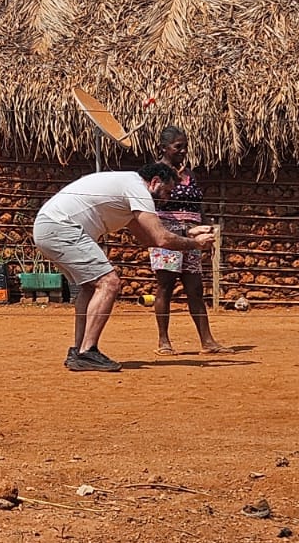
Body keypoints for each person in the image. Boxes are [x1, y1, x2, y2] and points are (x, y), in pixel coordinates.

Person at [34, 163, 216, 372]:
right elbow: (162, 239)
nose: (166, 199)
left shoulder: (129, 191)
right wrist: (196, 244)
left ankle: (79, 350)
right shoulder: (138, 189)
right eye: (166, 192)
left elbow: (148, 239)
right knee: (109, 283)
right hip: (61, 227)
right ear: (155, 181)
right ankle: (87, 351)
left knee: (90, 287)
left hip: (48, 226)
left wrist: (187, 234)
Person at [147, 127, 225, 355]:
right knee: (166, 286)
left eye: (185, 146)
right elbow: (151, 203)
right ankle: (164, 341)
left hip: (193, 235)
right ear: (164, 148)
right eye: (177, 146)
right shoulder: (156, 173)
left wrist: (207, 229)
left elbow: (198, 205)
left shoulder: (190, 174)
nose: (183, 151)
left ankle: (207, 341)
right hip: (167, 234)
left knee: (195, 288)